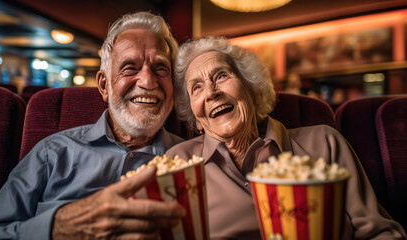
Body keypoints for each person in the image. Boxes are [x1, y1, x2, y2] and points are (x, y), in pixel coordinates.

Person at [166, 36, 407, 239]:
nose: (211, 92)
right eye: (196, 87)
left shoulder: (324, 143)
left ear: (255, 92)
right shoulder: (179, 164)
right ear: (196, 119)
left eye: (221, 76)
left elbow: (380, 232)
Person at [0, 12, 186, 239]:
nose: (148, 81)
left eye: (161, 68)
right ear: (104, 85)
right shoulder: (52, 153)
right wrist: (56, 229)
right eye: (129, 67)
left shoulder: (193, 161)